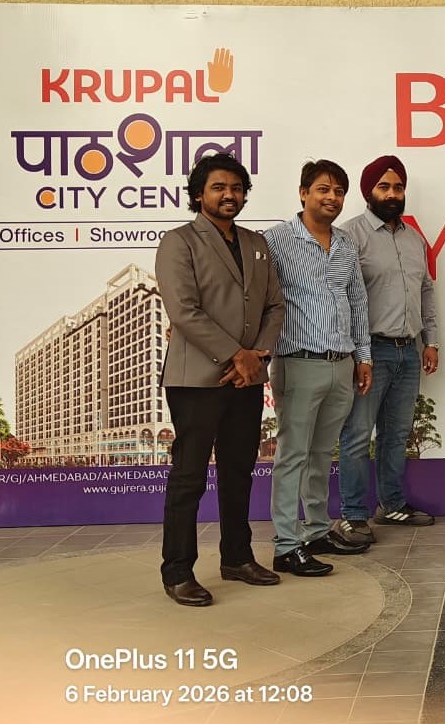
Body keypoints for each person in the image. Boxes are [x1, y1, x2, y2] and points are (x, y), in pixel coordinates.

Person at [155, 153, 285, 606]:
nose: (229, 194)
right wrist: (236, 355)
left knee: (238, 471)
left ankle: (237, 558)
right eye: (218, 187)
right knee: (189, 476)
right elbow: (183, 311)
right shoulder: (179, 242)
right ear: (198, 194)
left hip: (245, 379)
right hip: (196, 379)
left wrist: (257, 356)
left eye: (236, 188)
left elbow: (275, 306)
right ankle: (177, 572)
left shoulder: (256, 243)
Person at [264, 160, 373, 577]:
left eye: (339, 191)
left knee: (321, 454)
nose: (332, 198)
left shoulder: (345, 243)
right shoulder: (276, 240)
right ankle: (286, 545)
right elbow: (261, 299)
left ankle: (314, 531)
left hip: (341, 364)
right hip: (298, 362)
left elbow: (357, 301)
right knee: (293, 454)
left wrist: (363, 356)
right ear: (303, 193)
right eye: (323, 189)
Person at [334, 155, 440, 545]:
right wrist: (356, 354)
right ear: (369, 192)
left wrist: (431, 341)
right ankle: (353, 515)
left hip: (408, 352)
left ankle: (392, 505)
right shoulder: (349, 235)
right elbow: (339, 298)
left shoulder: (415, 240)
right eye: (384, 187)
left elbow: (426, 291)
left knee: (395, 435)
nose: (392, 194)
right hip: (369, 352)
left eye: (398, 187)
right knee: (357, 435)